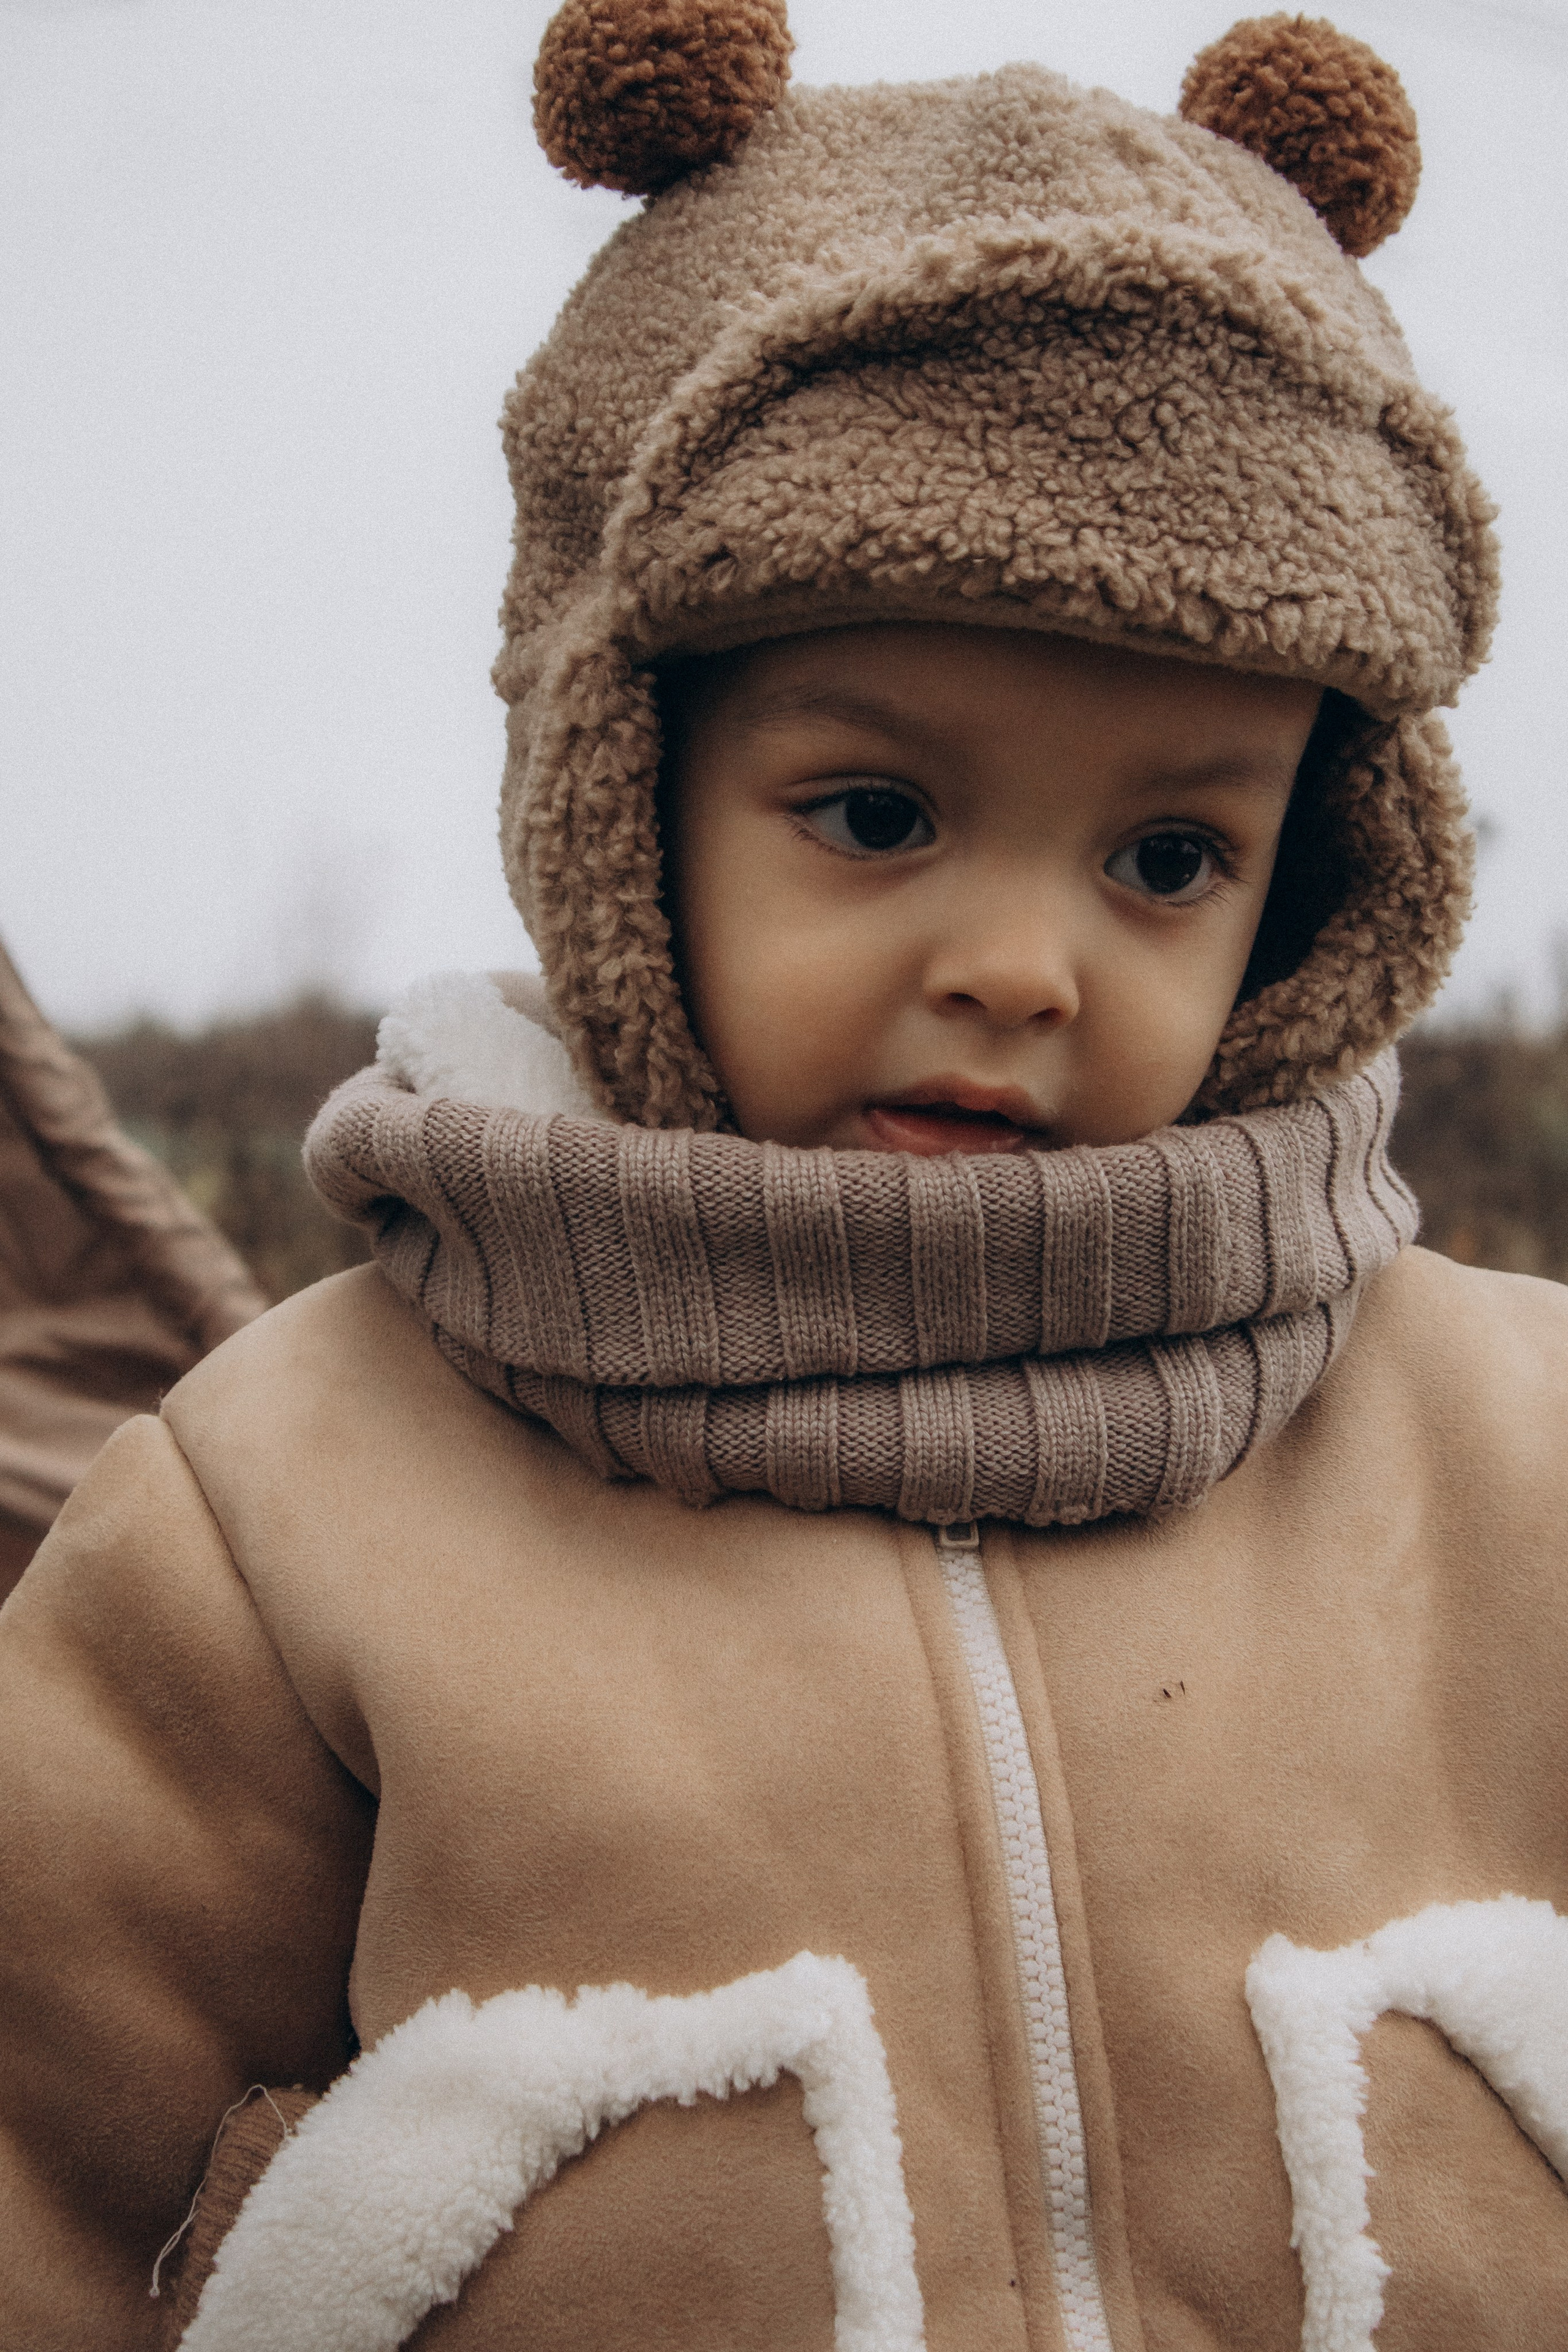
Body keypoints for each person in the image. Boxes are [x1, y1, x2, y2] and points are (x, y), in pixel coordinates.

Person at [2, 8, 1564, 2346]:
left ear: (1324, 876)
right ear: (616, 798)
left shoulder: (1523, 1460)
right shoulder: (279, 1517)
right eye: (877, 815)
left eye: (1168, 852)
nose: (1024, 966)